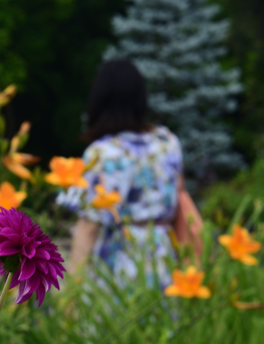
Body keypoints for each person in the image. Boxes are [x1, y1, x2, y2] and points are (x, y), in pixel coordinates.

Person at [65, 59, 203, 287]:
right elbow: (179, 197)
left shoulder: (103, 153)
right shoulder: (166, 142)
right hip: (163, 260)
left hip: (118, 263)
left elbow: (89, 226)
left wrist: (70, 288)